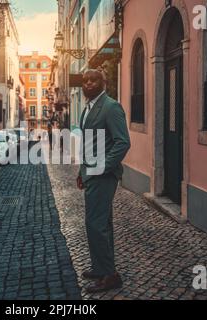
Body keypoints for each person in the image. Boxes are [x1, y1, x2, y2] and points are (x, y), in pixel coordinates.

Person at [76, 69, 131, 293]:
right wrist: (82, 171)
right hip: (91, 174)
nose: (88, 83)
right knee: (101, 224)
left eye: (94, 79)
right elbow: (88, 144)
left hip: (104, 176)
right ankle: (101, 267)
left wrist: (100, 168)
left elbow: (122, 143)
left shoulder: (111, 107)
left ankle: (110, 275)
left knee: (95, 224)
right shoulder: (87, 108)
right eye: (85, 80)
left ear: (103, 82)